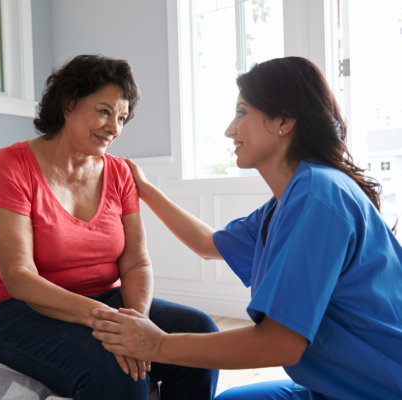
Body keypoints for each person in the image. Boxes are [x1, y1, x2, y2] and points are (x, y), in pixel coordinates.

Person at [89, 56, 402, 400]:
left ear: (283, 119)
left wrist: (157, 344)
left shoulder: (319, 197)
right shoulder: (287, 202)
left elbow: (279, 344)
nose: (229, 130)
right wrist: (146, 190)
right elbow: (208, 243)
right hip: (329, 386)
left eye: (242, 113)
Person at [0, 54, 219, 400]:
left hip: (102, 300)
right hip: (12, 308)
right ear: (68, 104)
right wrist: (111, 323)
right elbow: (19, 275)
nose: (114, 128)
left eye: (122, 117)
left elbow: (135, 262)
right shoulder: (11, 164)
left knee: (201, 335)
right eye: (104, 111)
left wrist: (136, 321)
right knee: (116, 371)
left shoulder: (119, 172)